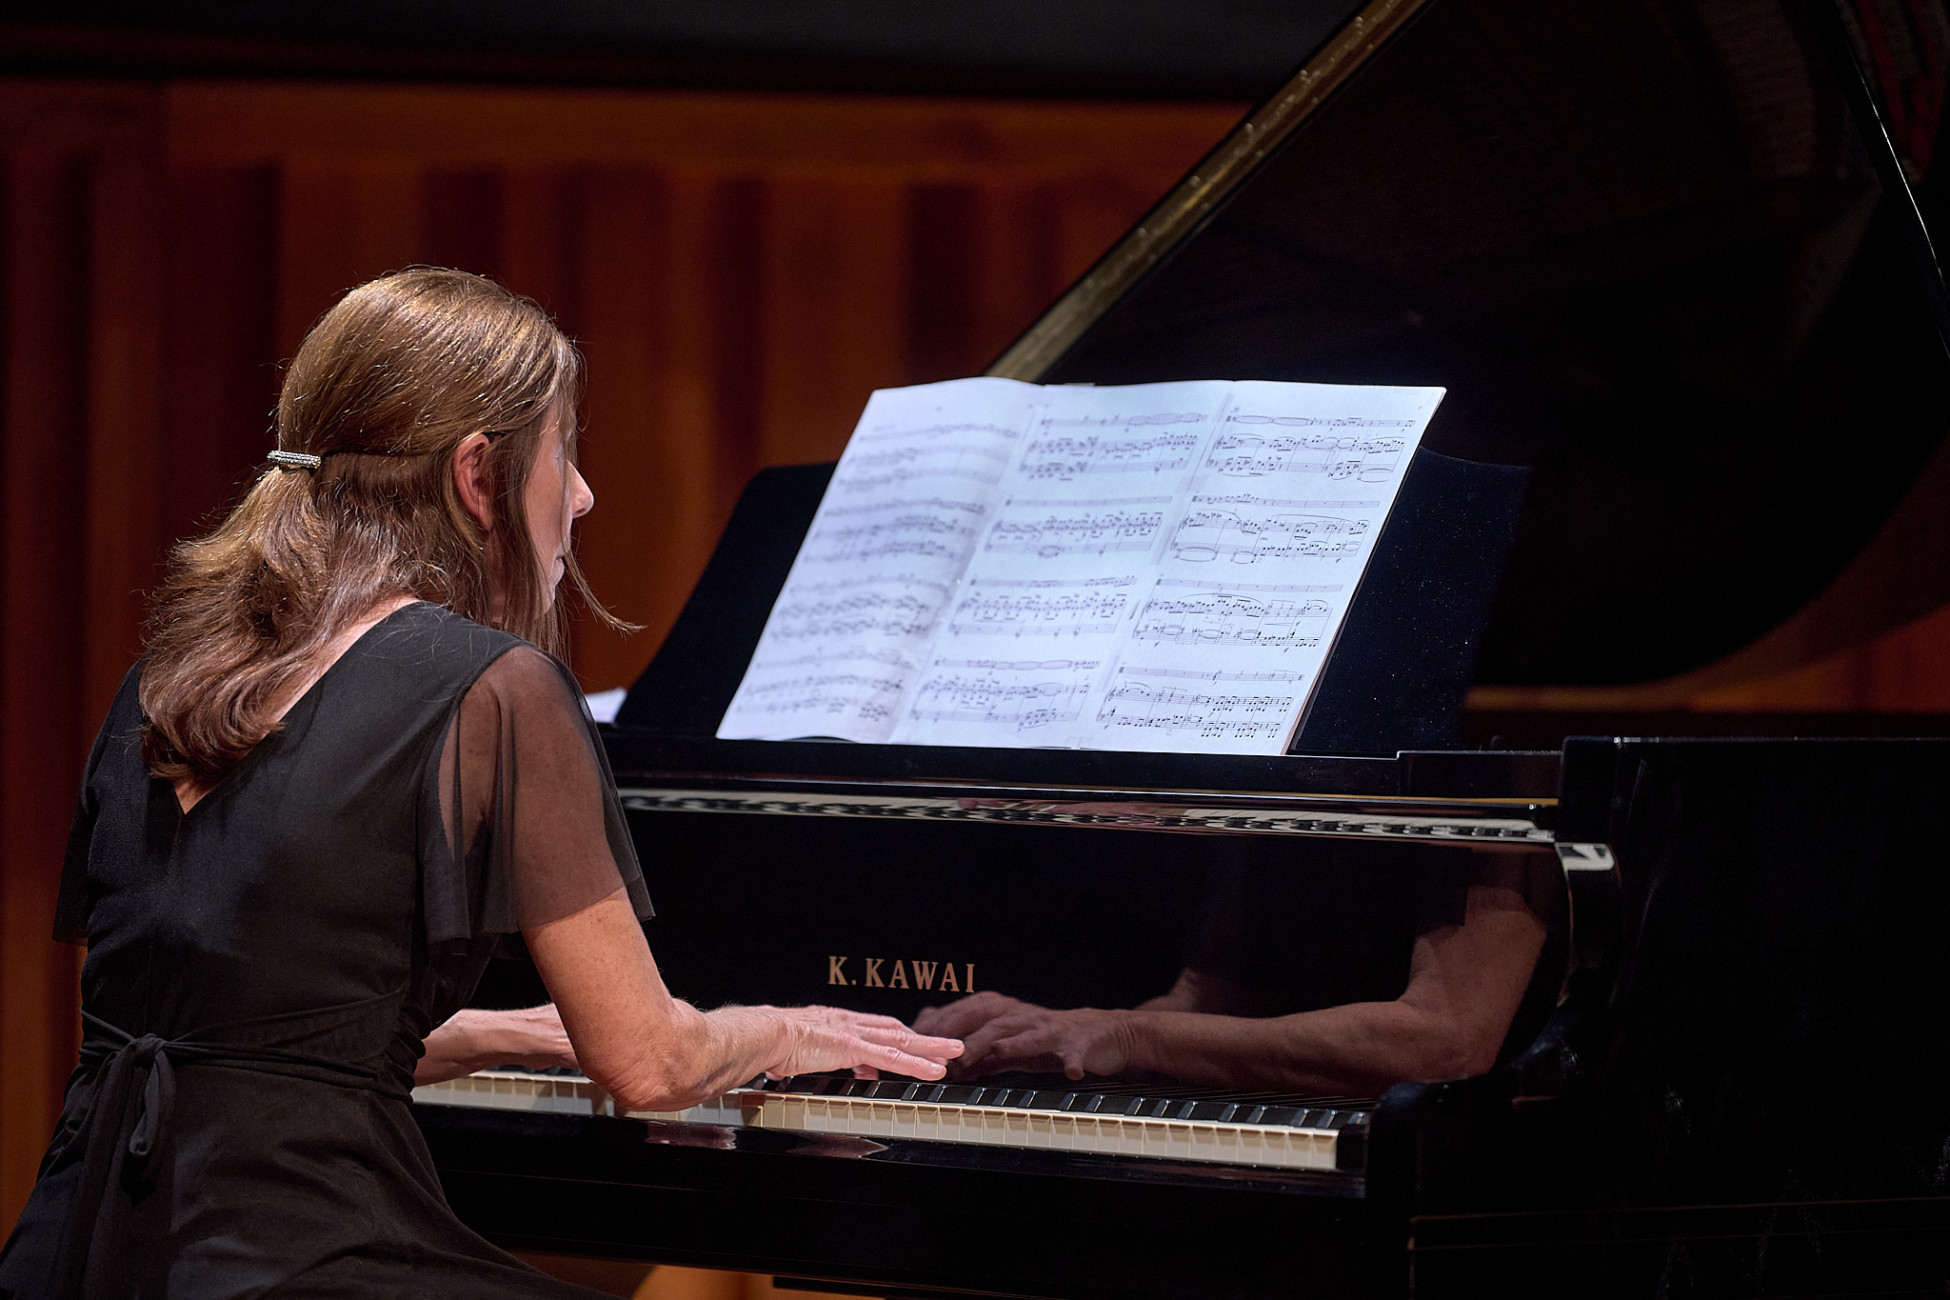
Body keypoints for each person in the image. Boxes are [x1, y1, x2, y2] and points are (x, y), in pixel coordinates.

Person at [0, 268, 960, 1300]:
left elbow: (231, 1035)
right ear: (475, 474)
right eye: (562, 450)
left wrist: (507, 1031)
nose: (582, 494)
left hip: (74, 1251)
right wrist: (784, 1027)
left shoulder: (167, 679)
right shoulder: (497, 691)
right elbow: (650, 1066)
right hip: (302, 1258)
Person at [914, 840, 1559, 1095]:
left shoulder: (1495, 771)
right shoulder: (1280, 780)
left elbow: (1444, 1046)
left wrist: (1127, 1032)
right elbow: (1204, 1002)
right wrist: (1041, 1035)